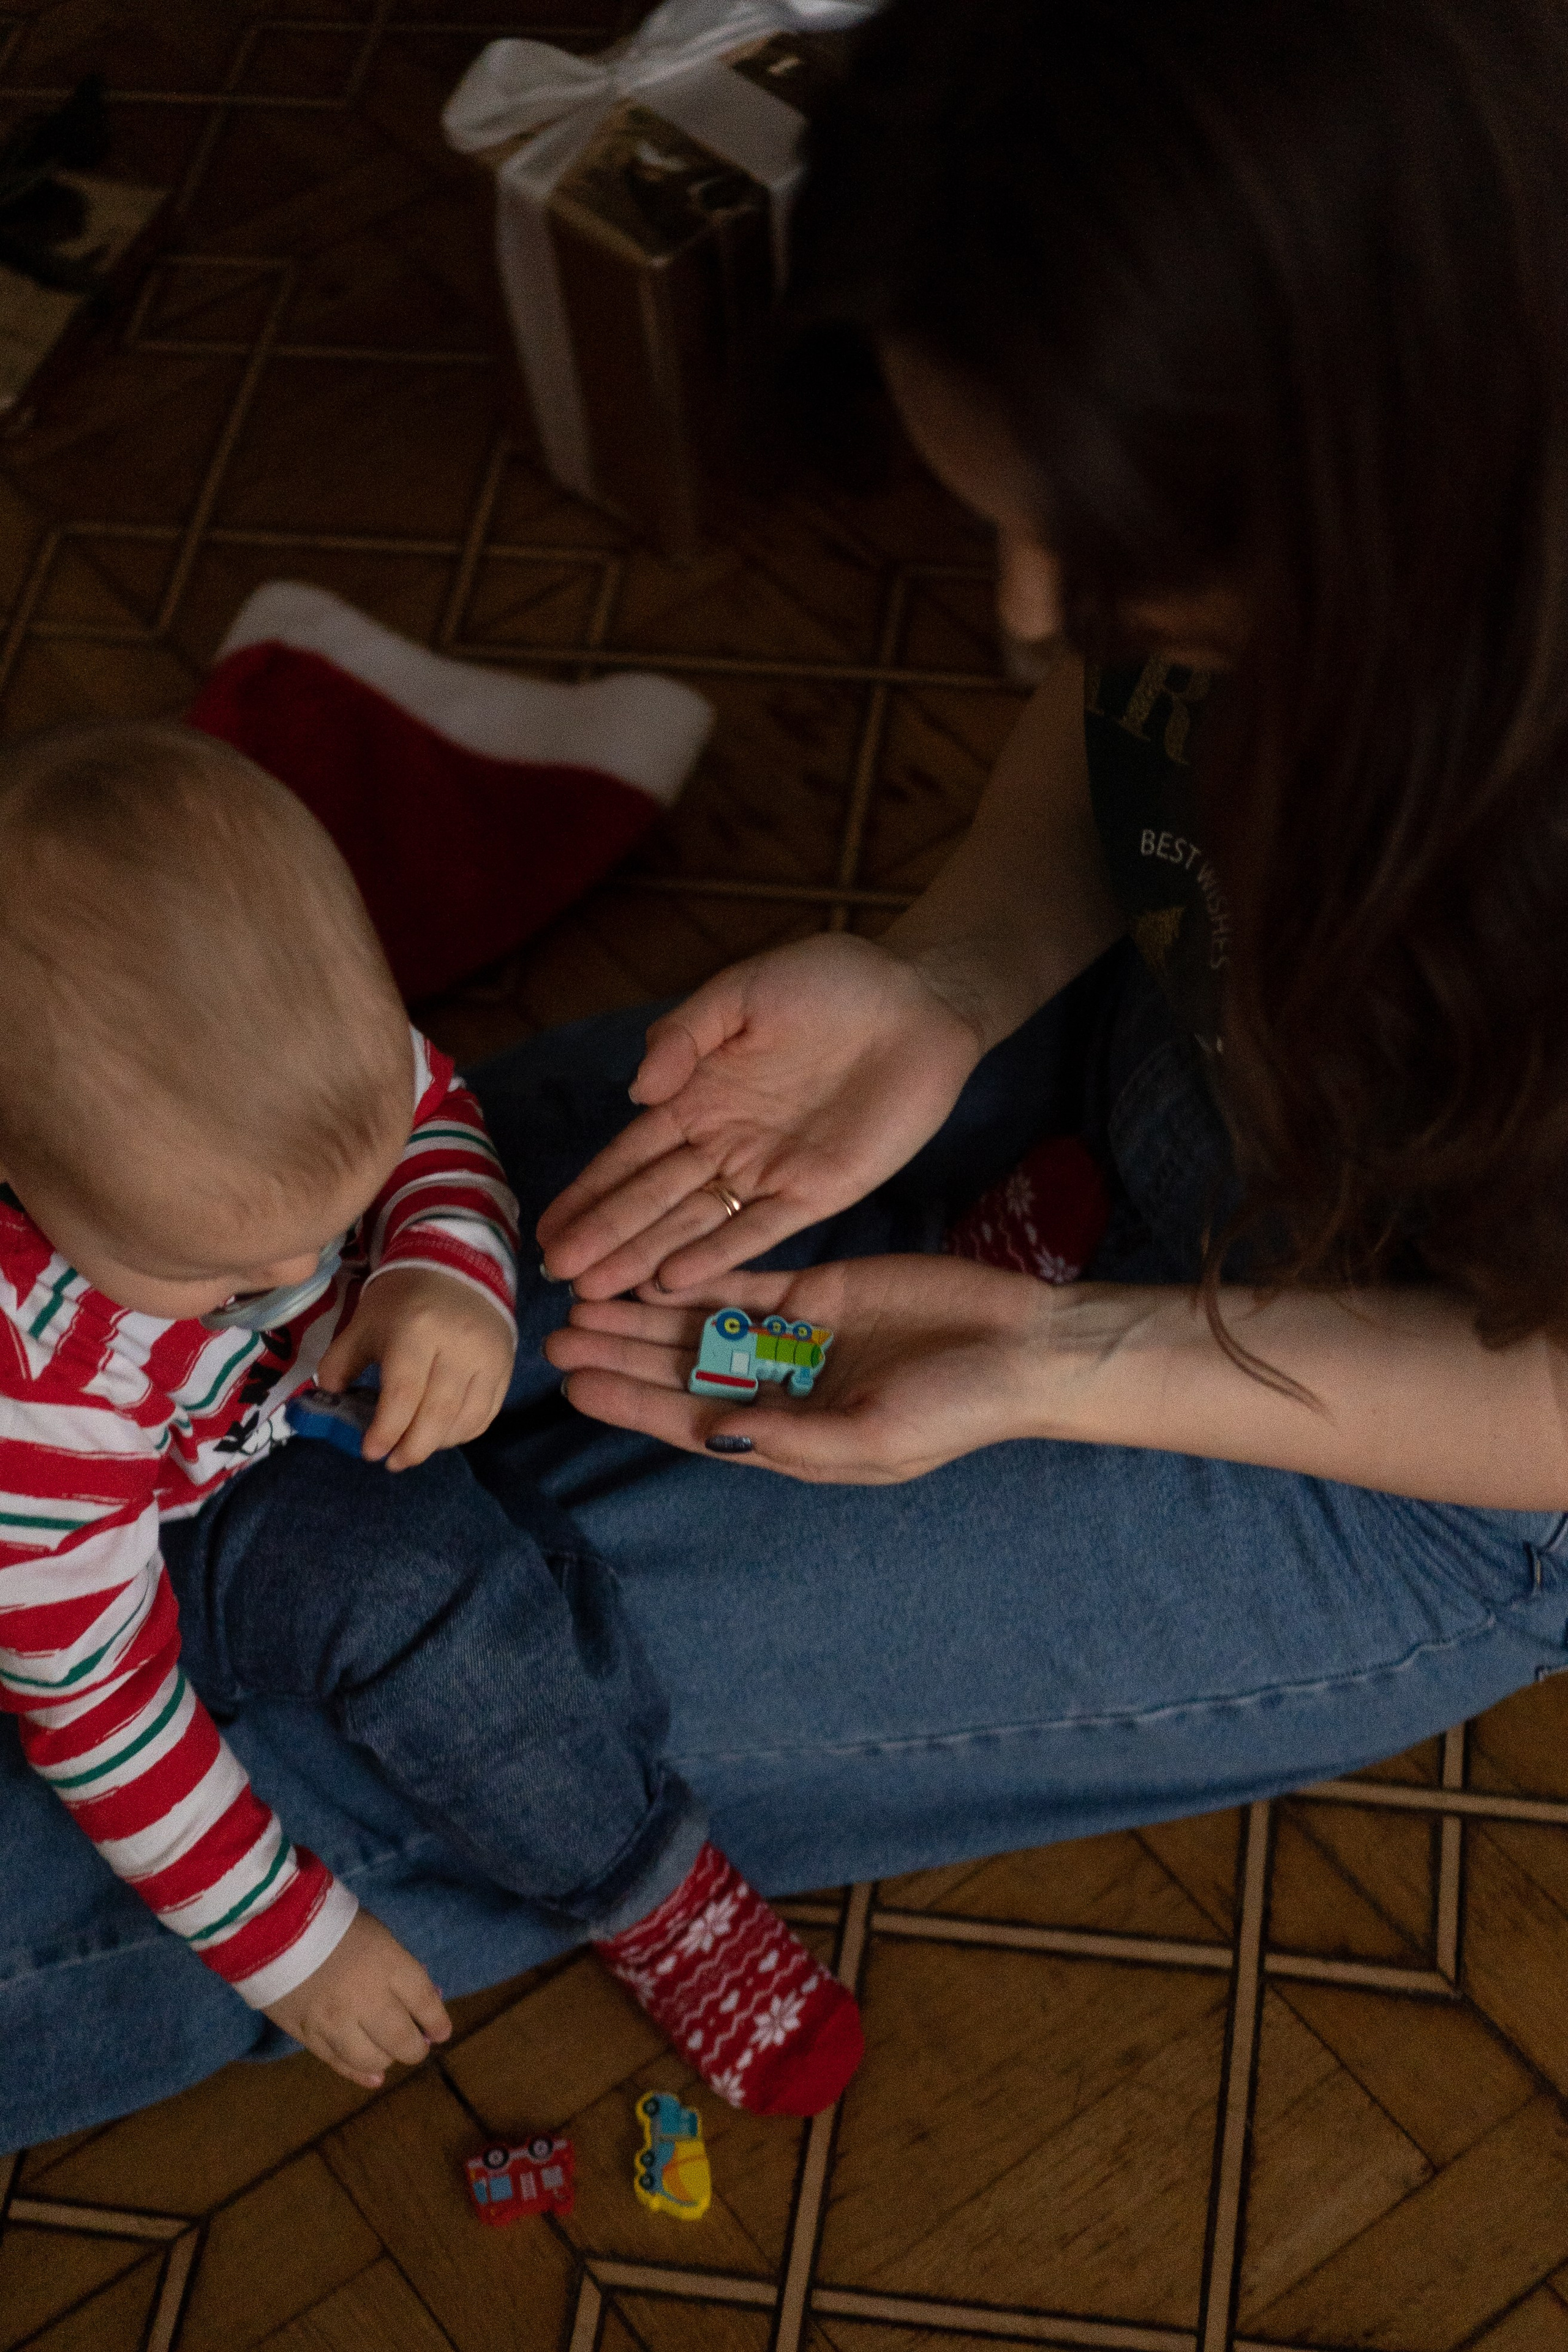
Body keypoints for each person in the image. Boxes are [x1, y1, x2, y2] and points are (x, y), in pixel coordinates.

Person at [7, 0, 1568, 2153]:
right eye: (1019, 535)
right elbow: (1118, 703)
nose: (1033, 623)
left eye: (1127, 571)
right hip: (1146, 1103)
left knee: (490, 1694)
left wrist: (1058, 1357)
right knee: (635, 1291)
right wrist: (957, 970)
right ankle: (1032, 1205)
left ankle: (641, 1859)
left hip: (1445, 1429)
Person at [0, 722, 860, 2134]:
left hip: (280, 1388)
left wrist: (427, 1263)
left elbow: (435, 1120)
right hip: (172, 1515)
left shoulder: (271, 1063)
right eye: (227, 1275)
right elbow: (99, 1711)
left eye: (326, 1219)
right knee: (414, 1587)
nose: (291, 1280)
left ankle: (836, 1342)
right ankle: (645, 1889)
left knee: (594, 1205)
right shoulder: (40, 1412)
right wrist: (289, 1942)